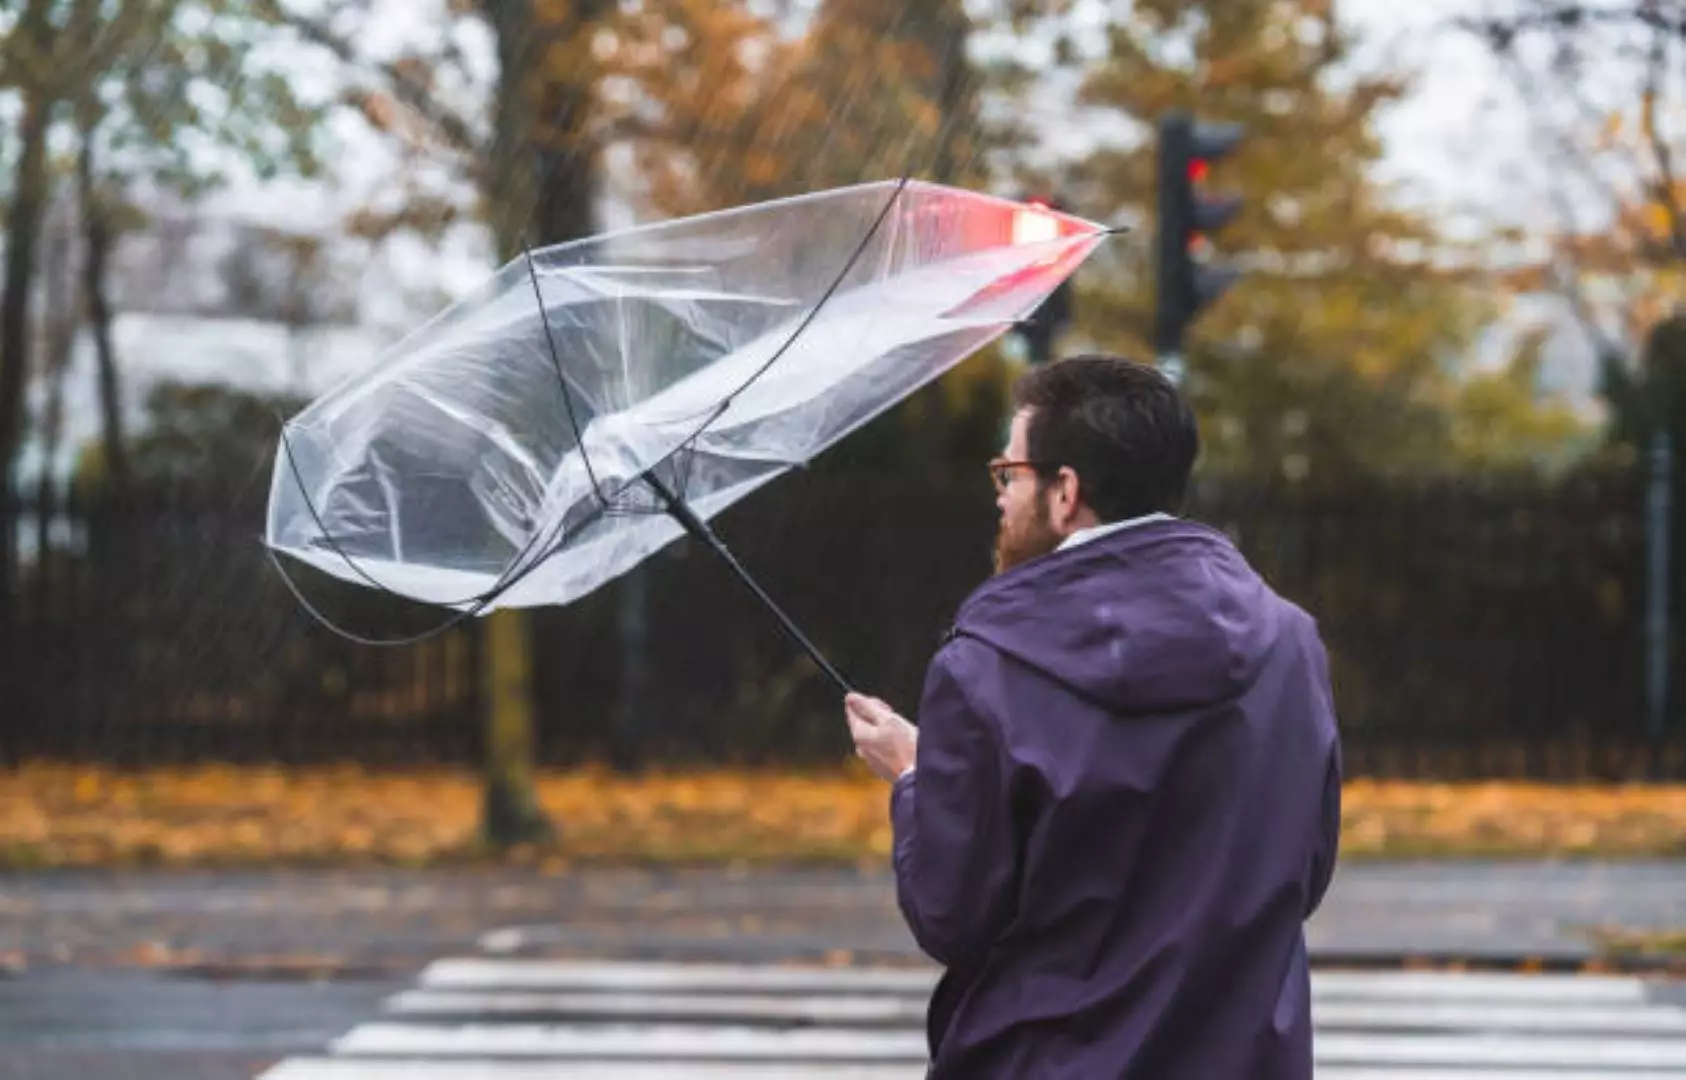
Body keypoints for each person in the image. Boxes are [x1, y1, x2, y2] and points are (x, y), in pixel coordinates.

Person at [845, 354, 1342, 1079]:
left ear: (1065, 491)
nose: (1001, 498)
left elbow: (953, 914)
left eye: (1009, 474)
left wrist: (919, 778)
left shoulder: (988, 667)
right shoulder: (1291, 645)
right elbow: (1304, 870)